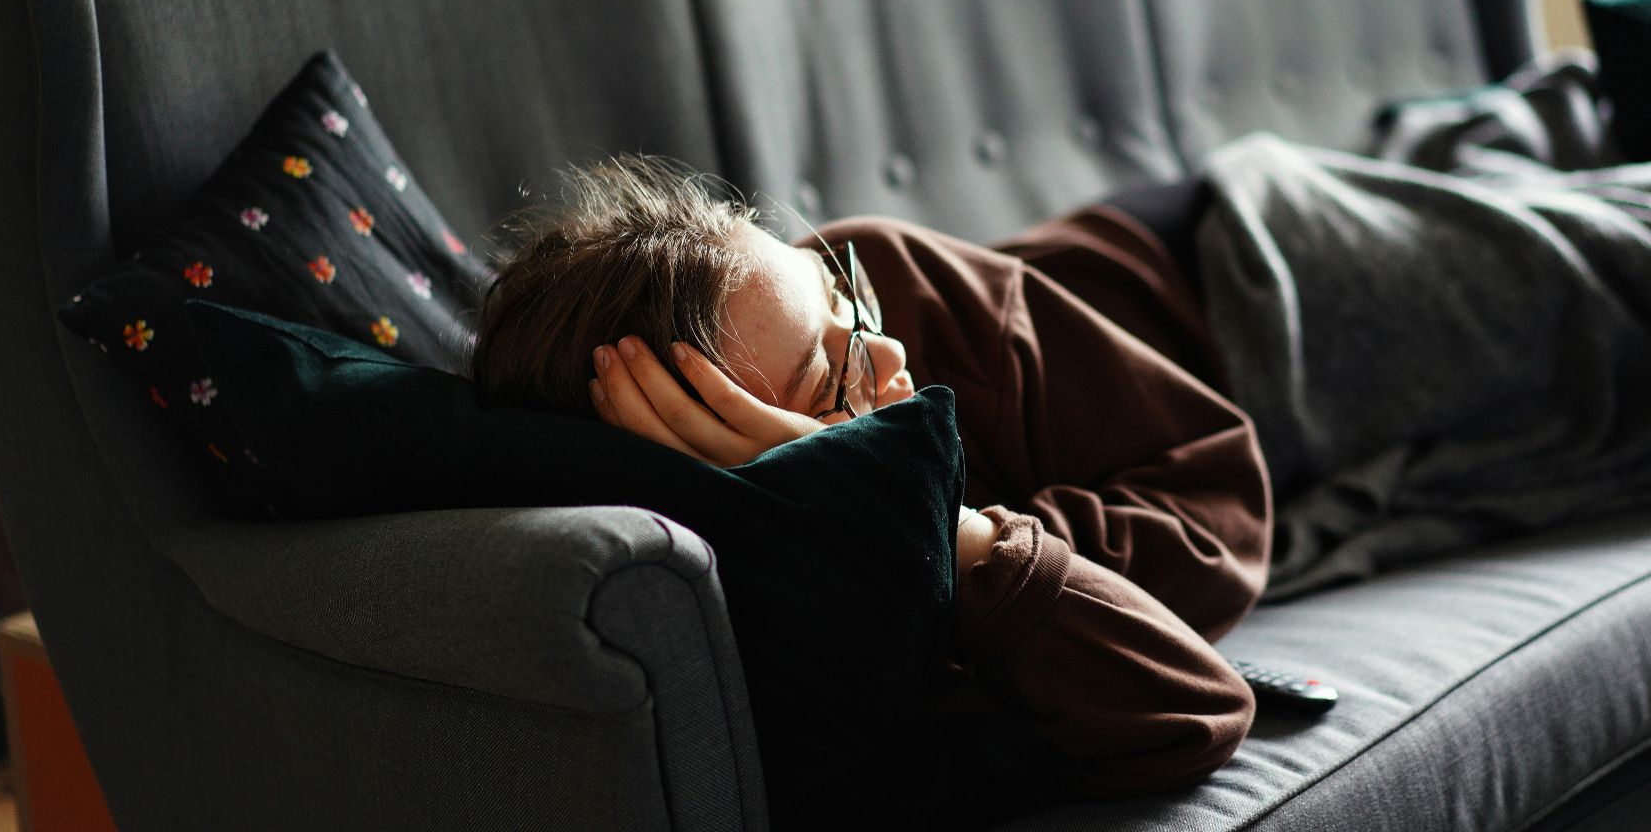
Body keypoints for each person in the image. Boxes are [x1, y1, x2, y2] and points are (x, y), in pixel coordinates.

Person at [471, 155, 1272, 805]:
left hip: (1232, 258)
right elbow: (1193, 708)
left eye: (838, 294)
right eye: (830, 380)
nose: (886, 354)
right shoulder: (810, 605)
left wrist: (976, 543)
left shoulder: (892, 277)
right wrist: (932, 522)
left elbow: (1222, 508)